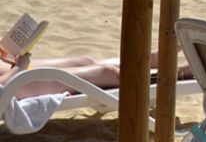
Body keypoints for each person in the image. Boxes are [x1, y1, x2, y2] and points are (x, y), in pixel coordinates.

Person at [0, 48, 189, 99]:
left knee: (86, 61)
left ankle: (150, 60)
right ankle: (179, 72)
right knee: (106, 73)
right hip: (15, 86)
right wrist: (19, 68)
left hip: (14, 72)